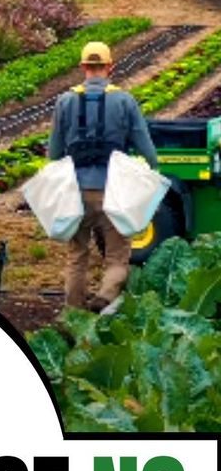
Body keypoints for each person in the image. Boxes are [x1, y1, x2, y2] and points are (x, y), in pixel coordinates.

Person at [47, 40, 158, 312]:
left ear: (83, 67)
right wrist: (154, 168)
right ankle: (105, 298)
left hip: (77, 191)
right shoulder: (124, 100)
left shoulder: (65, 101)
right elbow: (144, 144)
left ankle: (73, 312)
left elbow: (54, 152)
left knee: (77, 255)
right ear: (110, 67)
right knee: (118, 256)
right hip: (113, 191)